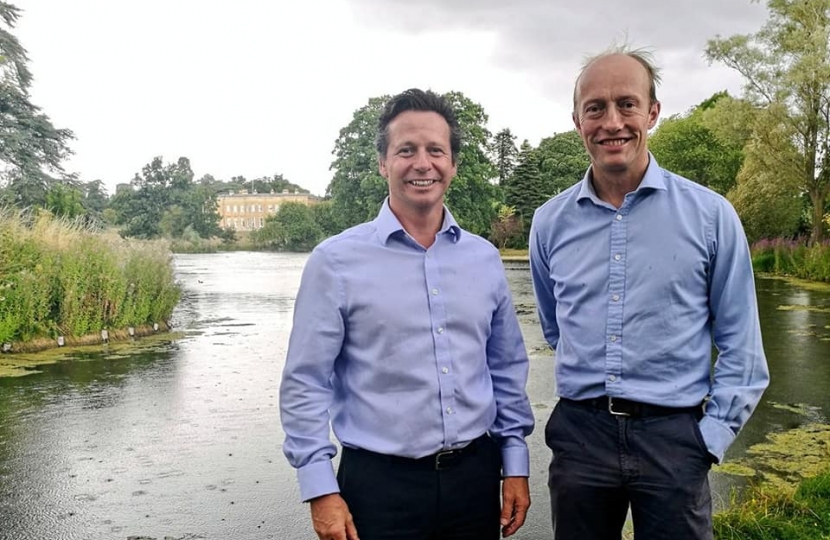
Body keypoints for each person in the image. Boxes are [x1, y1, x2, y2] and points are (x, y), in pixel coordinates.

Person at [529, 46, 770, 540]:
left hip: (674, 441)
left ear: (653, 113)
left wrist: (708, 439)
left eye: (627, 104)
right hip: (581, 438)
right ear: (578, 121)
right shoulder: (549, 223)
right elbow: (558, 327)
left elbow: (742, 347)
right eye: (595, 108)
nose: (611, 121)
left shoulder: (710, 217)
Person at [279, 88, 535, 540]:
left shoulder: (484, 259)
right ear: (383, 163)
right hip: (377, 489)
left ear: (453, 164)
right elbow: (305, 382)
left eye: (436, 150)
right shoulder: (335, 262)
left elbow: (507, 368)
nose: (423, 163)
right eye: (406, 150)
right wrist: (320, 488)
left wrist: (514, 463)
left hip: (475, 480)